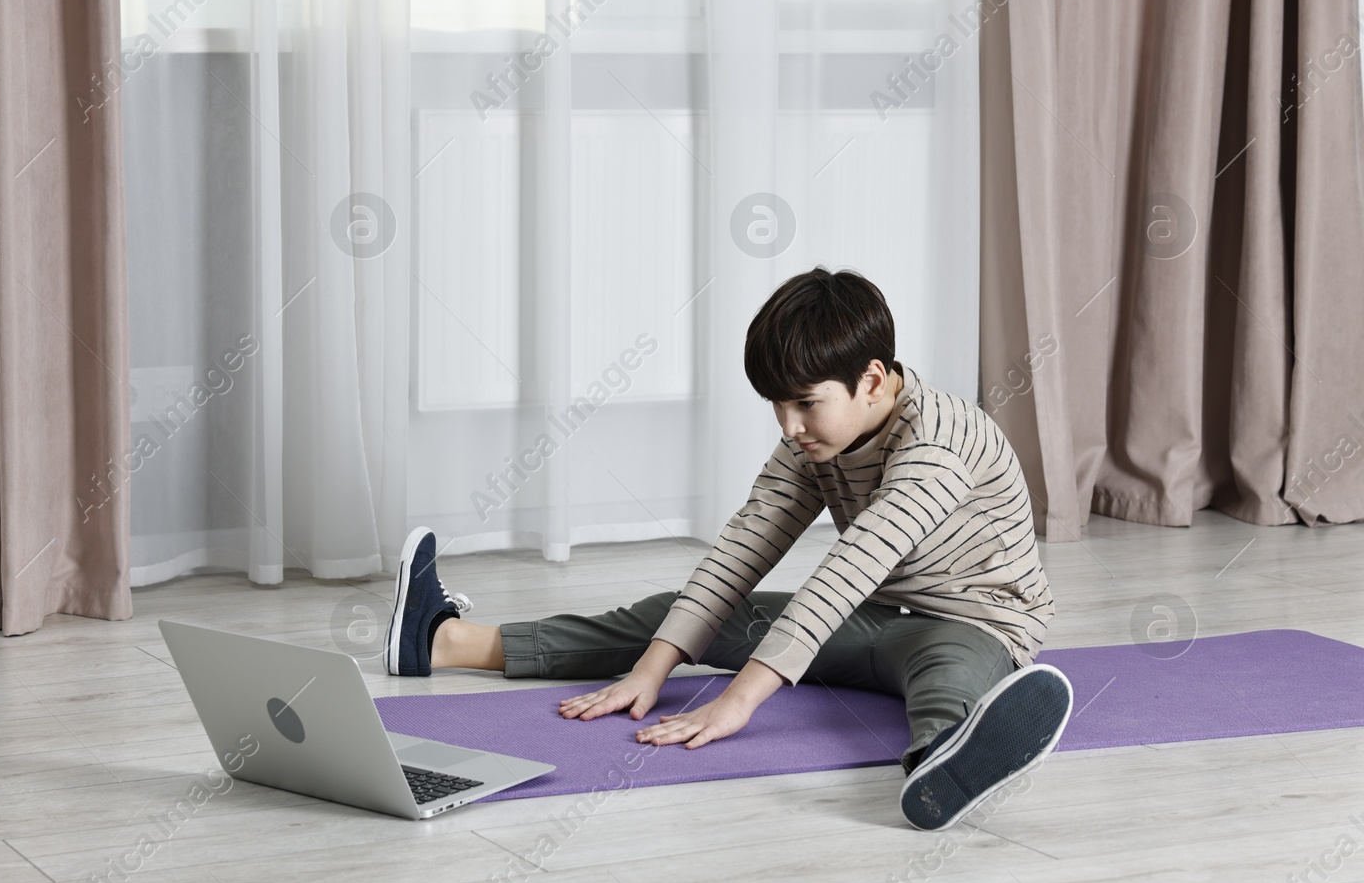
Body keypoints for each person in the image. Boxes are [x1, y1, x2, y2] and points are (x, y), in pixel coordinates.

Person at [382, 266, 1072, 831]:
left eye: (803, 403)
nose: (789, 425)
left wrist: (737, 702)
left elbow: (847, 570)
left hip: (977, 621)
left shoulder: (939, 445)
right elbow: (742, 547)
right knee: (674, 612)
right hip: (878, 621)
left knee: (948, 677)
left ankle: (943, 761)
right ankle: (443, 641)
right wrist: (655, 668)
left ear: (870, 379)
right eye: (777, 405)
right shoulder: (818, 437)